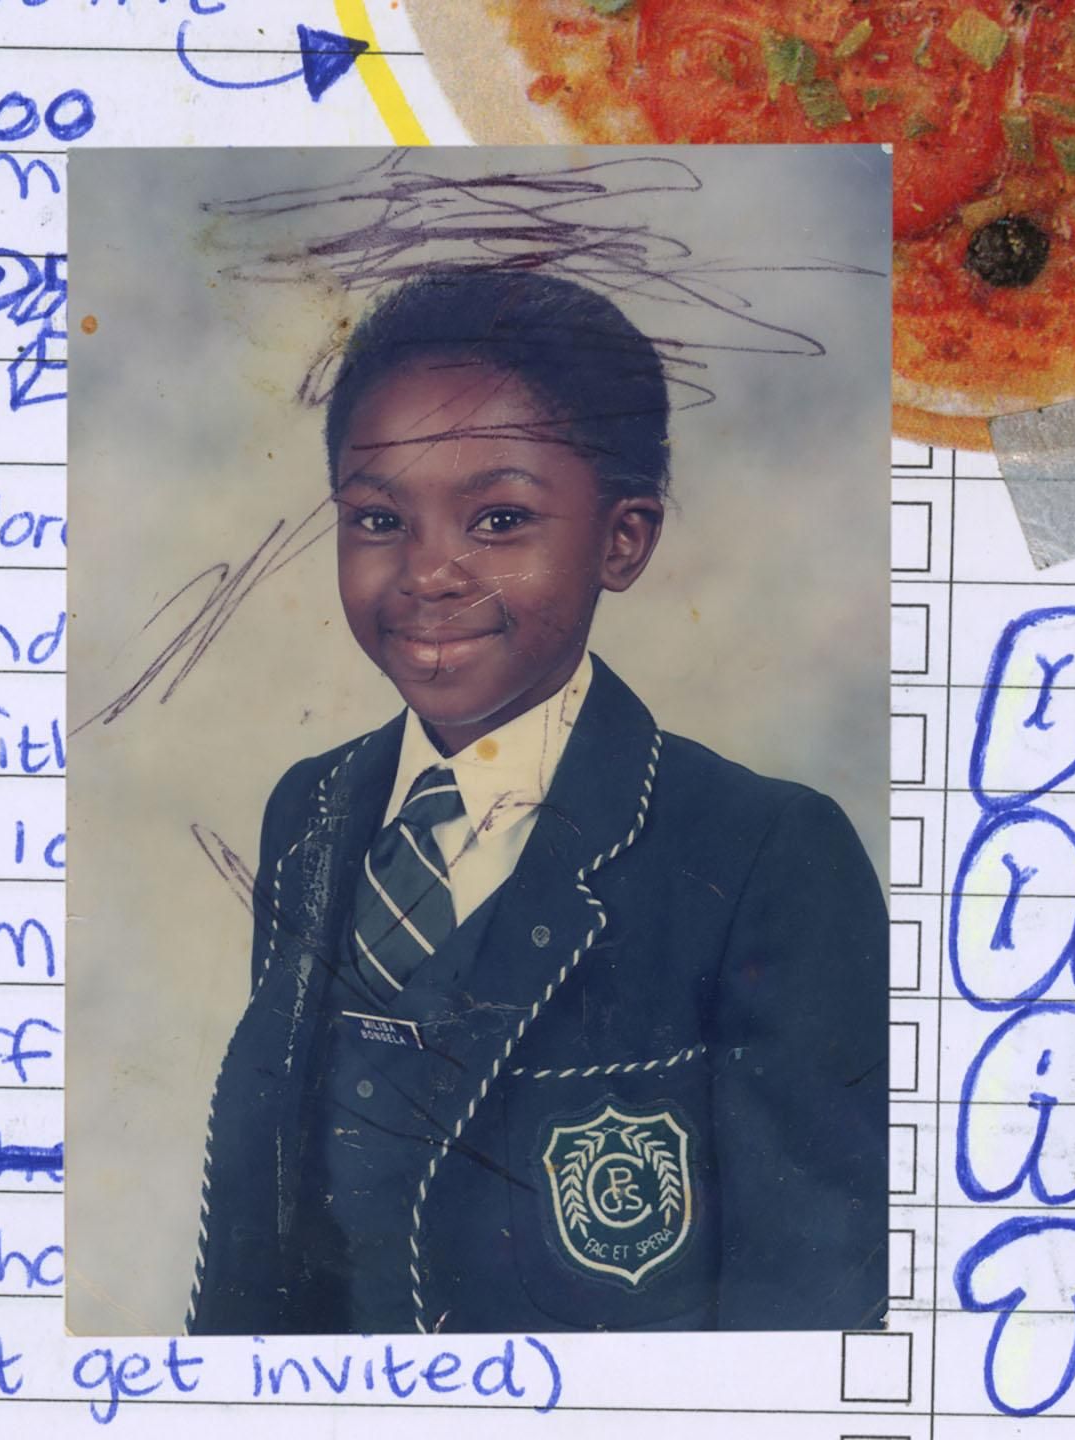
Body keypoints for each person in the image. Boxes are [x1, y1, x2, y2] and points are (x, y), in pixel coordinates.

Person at [187, 267, 889, 1335]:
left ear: (623, 540)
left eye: (499, 519)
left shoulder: (762, 855)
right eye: (377, 520)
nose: (428, 573)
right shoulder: (312, 812)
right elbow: (278, 1220)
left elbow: (812, 1292)